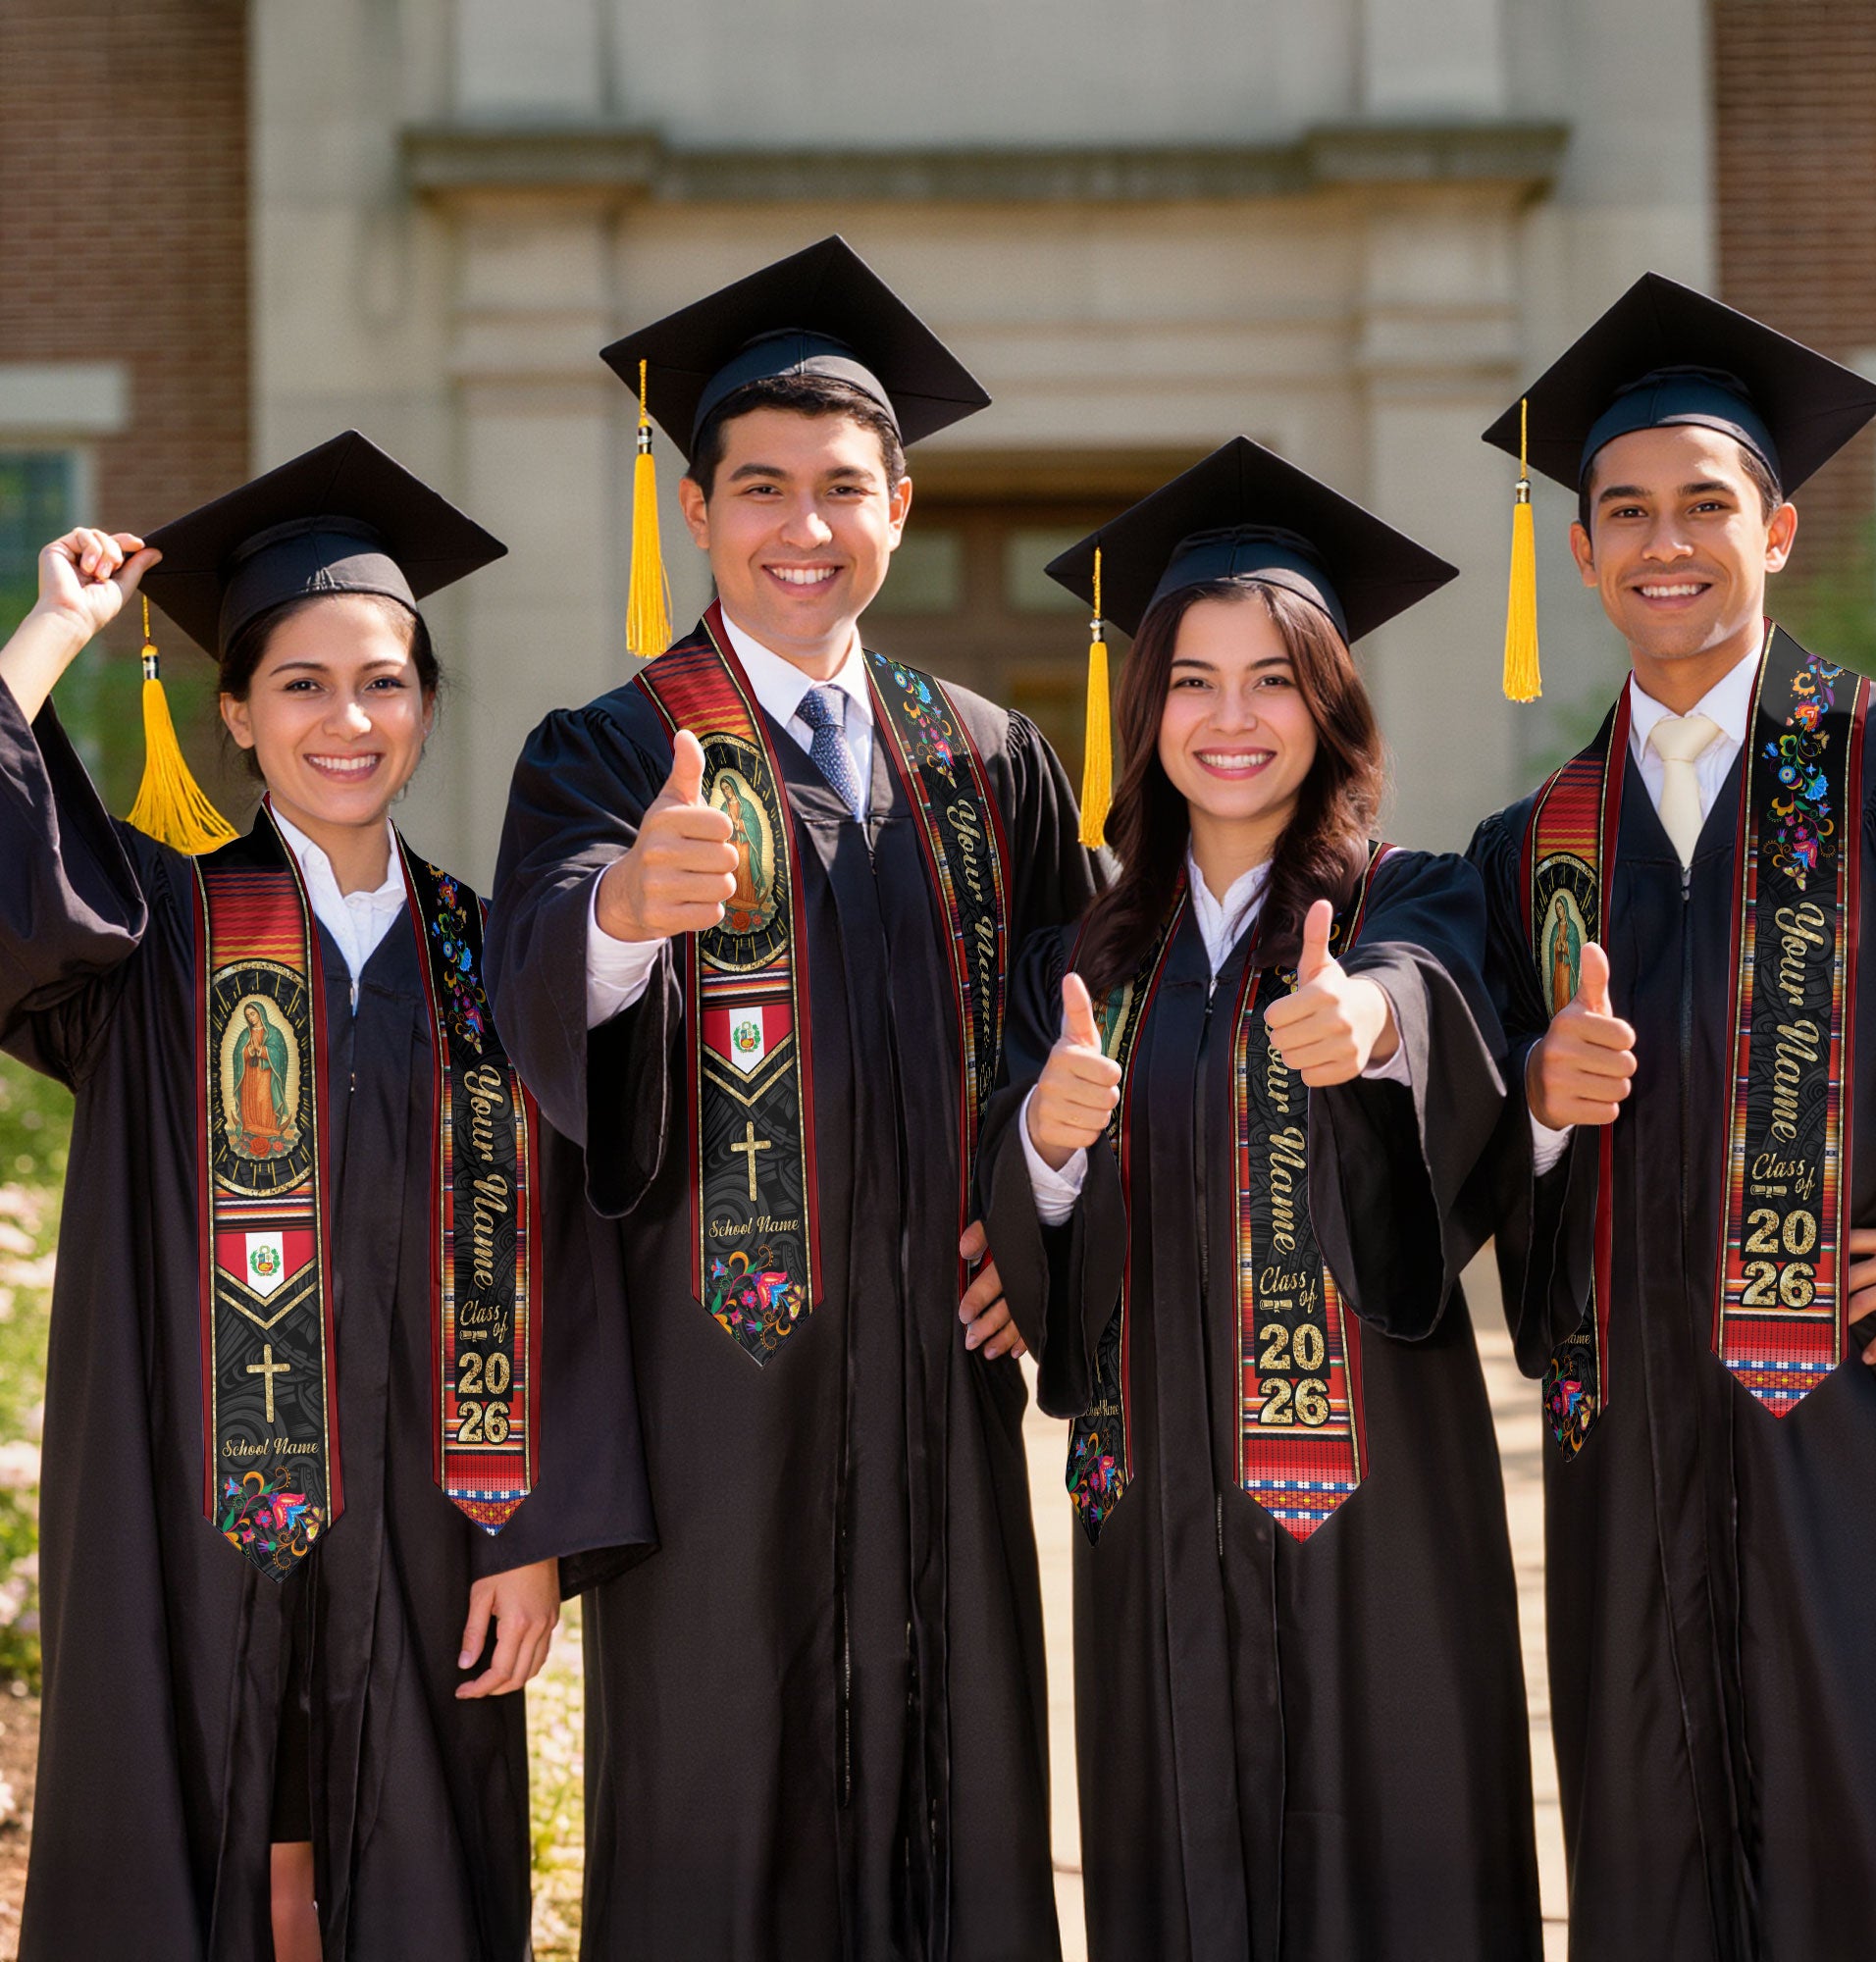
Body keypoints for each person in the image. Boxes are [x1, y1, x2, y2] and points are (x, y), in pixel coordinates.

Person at [486, 236, 1101, 1961]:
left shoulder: (989, 757)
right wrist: (620, 913)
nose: (803, 528)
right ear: (697, 511)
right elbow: (532, 988)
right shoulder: (610, 749)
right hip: (717, 1400)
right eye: (761, 489)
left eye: (844, 488)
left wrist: (1040, 1221)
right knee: (720, 1816)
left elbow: (1091, 1023)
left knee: (959, 1798)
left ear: (900, 504)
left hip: (938, 1385)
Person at [0, 433, 651, 1962]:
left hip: (436, 1521)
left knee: (415, 1863)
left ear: (426, 705)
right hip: (186, 1514)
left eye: (384, 681)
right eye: (300, 683)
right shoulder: (154, 933)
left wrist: (536, 1531)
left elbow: (572, 1262)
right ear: (235, 712)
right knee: (197, 1838)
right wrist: (51, 634)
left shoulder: (503, 959)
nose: (346, 719)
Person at [980, 439, 1541, 1960]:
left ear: (1332, 703)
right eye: (1193, 681)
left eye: (1276, 679)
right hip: (1156, 1503)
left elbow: (1435, 1004)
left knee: (1400, 1865)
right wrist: (1043, 1135)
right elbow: (1025, 1228)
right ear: (1144, 707)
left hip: (1377, 1511)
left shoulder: (1409, 897)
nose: (1233, 720)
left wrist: (1371, 1029)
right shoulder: (1078, 962)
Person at [1469, 274, 1876, 1960]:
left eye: (1704, 505)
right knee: (1650, 1859)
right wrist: (1534, 1105)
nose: (1662, 542)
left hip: (1865, 1431)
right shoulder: (1534, 842)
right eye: (1624, 512)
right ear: (1586, 551)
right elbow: (1464, 1154)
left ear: (1779, 528)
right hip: (1629, 1462)